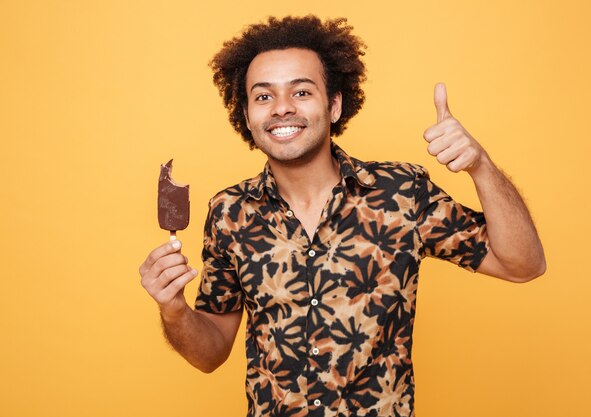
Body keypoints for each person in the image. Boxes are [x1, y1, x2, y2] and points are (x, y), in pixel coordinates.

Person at [139, 15, 546, 417]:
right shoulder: (229, 213)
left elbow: (523, 264)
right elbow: (209, 354)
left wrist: (480, 165)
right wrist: (174, 310)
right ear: (247, 116)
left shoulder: (401, 193)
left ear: (334, 105)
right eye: (263, 97)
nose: (281, 109)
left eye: (301, 92)